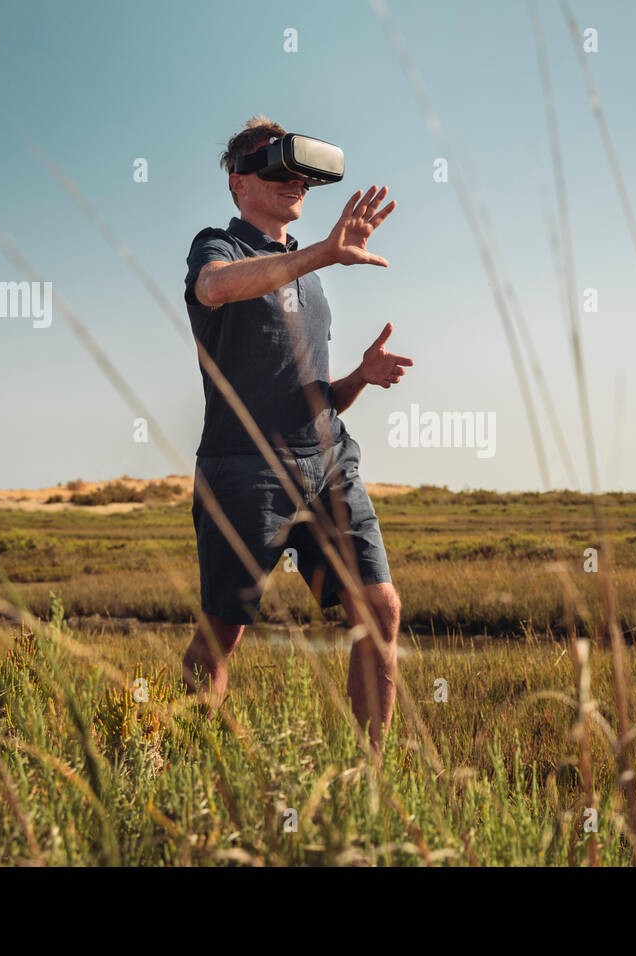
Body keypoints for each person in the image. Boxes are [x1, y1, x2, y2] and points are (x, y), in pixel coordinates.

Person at [181, 115, 412, 751]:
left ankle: (366, 784)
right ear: (239, 183)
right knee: (223, 634)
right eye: (273, 166)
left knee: (381, 610)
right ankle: (187, 762)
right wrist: (324, 253)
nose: (293, 181)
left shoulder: (308, 273)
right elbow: (215, 289)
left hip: (329, 460)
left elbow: (315, 396)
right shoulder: (217, 246)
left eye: (297, 169)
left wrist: (360, 377)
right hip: (246, 471)